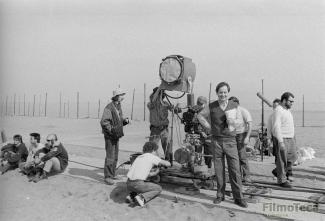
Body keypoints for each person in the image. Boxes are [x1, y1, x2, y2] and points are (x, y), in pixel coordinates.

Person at [199, 82, 247, 208]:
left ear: (228, 93)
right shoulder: (212, 106)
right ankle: (220, 195)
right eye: (220, 92)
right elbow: (200, 116)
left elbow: (241, 123)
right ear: (217, 93)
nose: (223, 94)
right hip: (216, 141)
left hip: (231, 140)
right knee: (219, 170)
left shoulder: (234, 105)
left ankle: (238, 197)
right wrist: (208, 127)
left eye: (225, 92)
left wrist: (233, 122)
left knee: (235, 169)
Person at [126, 141, 171, 207]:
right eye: (156, 151)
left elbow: (146, 174)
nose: (156, 153)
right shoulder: (151, 156)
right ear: (153, 150)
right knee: (158, 188)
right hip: (138, 184)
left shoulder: (139, 157)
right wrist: (163, 162)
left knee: (141, 186)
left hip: (128, 183)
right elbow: (168, 164)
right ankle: (141, 199)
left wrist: (155, 172)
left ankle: (131, 196)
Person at [100, 88, 130, 185]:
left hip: (116, 136)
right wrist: (112, 130)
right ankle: (108, 177)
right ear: (117, 96)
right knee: (110, 156)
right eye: (121, 95)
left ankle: (112, 174)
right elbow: (104, 122)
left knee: (115, 156)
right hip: (110, 136)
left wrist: (124, 121)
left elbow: (118, 121)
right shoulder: (109, 107)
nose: (123, 97)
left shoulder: (118, 106)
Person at [272, 92, 297, 187]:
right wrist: (280, 141)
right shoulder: (278, 110)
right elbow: (276, 126)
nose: (291, 103)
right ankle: (281, 180)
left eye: (292, 102)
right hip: (283, 138)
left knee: (293, 157)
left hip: (291, 138)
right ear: (284, 100)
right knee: (281, 160)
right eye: (290, 101)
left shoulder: (287, 110)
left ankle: (277, 171)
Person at [228, 96, 252, 183]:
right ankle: (237, 176)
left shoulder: (243, 111)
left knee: (242, 156)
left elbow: (250, 124)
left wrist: (247, 137)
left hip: (241, 134)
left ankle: (246, 175)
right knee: (234, 157)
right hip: (231, 135)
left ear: (237, 103)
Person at [147, 87, 172, 158]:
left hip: (164, 129)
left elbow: (173, 109)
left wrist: (176, 109)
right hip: (155, 129)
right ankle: (151, 163)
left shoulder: (165, 103)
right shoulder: (151, 104)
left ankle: (167, 162)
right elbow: (153, 99)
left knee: (167, 147)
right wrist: (159, 89)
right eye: (159, 94)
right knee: (152, 148)